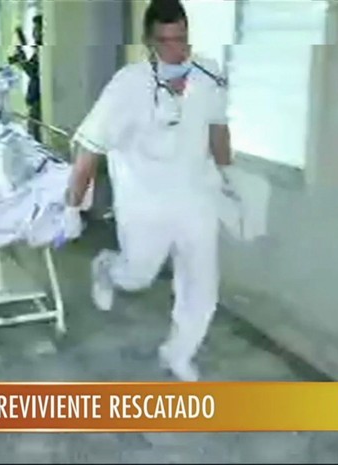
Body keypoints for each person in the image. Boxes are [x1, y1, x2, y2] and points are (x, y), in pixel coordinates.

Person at [66, 0, 233, 381]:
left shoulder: (209, 72)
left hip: (196, 196)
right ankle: (106, 268)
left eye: (182, 39)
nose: (176, 50)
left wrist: (229, 175)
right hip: (143, 201)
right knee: (138, 274)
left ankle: (178, 353)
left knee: (202, 285)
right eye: (165, 41)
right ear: (148, 42)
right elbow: (90, 147)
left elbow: (218, 126)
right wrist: (73, 206)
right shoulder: (128, 85)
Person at [8, 15, 42, 141]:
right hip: (34, 100)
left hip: (39, 101)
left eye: (37, 29)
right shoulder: (37, 49)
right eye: (33, 30)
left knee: (35, 137)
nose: (34, 33)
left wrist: (21, 60)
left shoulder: (44, 51)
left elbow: (34, 72)